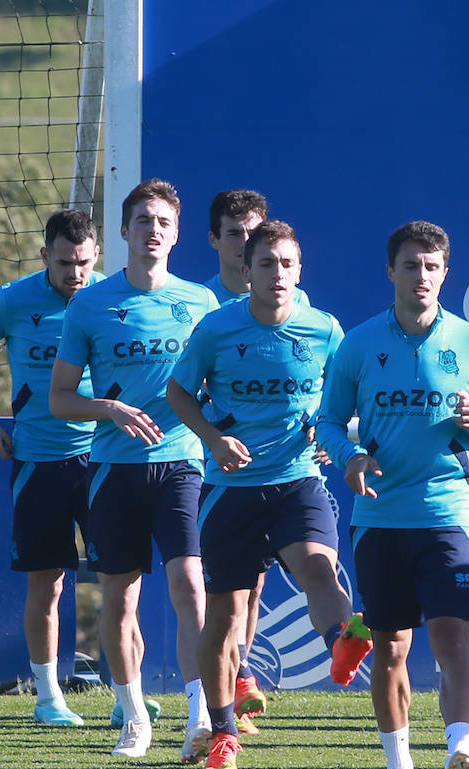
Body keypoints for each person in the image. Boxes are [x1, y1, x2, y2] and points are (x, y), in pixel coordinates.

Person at [168, 219, 371, 769]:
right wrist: (212, 438)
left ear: (299, 270)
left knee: (318, 569)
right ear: (246, 269)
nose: (277, 273)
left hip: (297, 480)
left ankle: (342, 642)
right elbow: (179, 391)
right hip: (230, 491)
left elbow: (349, 394)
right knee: (225, 616)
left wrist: (332, 432)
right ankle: (223, 735)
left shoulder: (324, 329)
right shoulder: (216, 329)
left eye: (286, 263)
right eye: (265, 263)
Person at [317, 220, 469, 769]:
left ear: (445, 273)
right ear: (390, 272)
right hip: (379, 520)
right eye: (410, 265)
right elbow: (328, 422)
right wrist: (350, 457)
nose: (421, 276)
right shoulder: (358, 344)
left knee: (454, 641)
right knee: (391, 647)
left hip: (447, 515)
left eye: (431, 266)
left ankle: (459, 752)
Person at [50, 178, 218, 760]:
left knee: (190, 585)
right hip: (113, 469)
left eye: (163, 222)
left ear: (177, 234)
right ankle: (134, 716)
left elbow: (222, 386)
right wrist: (109, 409)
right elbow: (60, 399)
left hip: (182, 463)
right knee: (119, 600)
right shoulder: (90, 304)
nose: (153, 229)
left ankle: (201, 716)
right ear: (124, 230)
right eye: (143, 220)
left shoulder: (202, 303)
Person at [0, 209, 103, 727]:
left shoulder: (113, 296)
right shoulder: (14, 300)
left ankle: (124, 695)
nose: (75, 274)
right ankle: (48, 696)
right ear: (44, 257)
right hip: (39, 459)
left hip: (106, 459)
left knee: (120, 578)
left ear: (97, 255)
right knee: (49, 581)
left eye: (83, 263)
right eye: (64, 263)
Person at [201, 189, 277, 735]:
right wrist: (214, 433)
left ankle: (240, 672)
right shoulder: (201, 304)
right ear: (216, 240)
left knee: (254, 585)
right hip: (212, 465)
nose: (245, 243)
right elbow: (183, 385)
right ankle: (219, 701)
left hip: (274, 467)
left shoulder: (289, 299)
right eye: (235, 233)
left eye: (254, 233)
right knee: (216, 594)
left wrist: (320, 429)